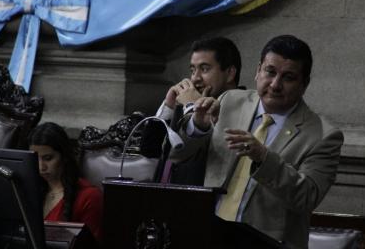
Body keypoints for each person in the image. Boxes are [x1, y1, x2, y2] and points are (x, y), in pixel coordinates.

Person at [171, 35, 343, 249]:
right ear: (258, 70)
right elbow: (177, 155)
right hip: (210, 237)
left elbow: (306, 197)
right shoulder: (230, 100)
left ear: (304, 84)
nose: (275, 84)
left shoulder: (323, 135)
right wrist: (198, 126)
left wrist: (263, 158)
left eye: (288, 77)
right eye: (270, 72)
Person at [141, 36, 242, 185]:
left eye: (204, 69)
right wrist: (169, 106)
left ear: (230, 73)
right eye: (193, 70)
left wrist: (193, 106)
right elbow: (149, 150)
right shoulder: (186, 104)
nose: (195, 78)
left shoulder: (243, 107)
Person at [28, 122, 103, 242]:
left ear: (64, 156)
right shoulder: (29, 190)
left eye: (48, 158)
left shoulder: (89, 196)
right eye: (35, 159)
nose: (41, 167)